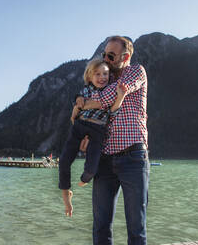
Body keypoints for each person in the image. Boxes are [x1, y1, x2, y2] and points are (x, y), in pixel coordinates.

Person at [78, 36, 149, 245]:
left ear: (125, 57)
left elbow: (110, 96)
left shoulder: (136, 71)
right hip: (104, 160)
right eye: (104, 54)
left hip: (133, 157)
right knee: (100, 226)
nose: (105, 59)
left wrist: (85, 104)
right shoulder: (102, 79)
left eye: (111, 55)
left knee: (136, 227)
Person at [58, 57, 128, 217]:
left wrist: (120, 97)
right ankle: (66, 195)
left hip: (98, 130)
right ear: (89, 76)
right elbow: (77, 99)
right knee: (64, 161)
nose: (102, 77)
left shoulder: (110, 90)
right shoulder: (85, 90)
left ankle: (86, 177)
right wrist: (77, 100)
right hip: (80, 126)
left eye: (105, 73)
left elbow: (113, 112)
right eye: (97, 74)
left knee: (92, 166)